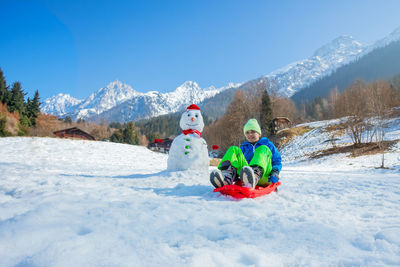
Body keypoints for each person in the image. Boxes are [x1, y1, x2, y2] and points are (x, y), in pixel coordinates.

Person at [210, 118, 282, 189]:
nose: (250, 134)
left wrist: (275, 172)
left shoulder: (268, 144)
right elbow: (237, 162)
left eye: (253, 131)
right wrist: (235, 171)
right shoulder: (244, 147)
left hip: (265, 176)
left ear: (259, 134)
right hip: (246, 176)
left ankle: (254, 176)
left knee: (263, 148)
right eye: (247, 132)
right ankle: (226, 177)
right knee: (233, 149)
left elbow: (277, 160)